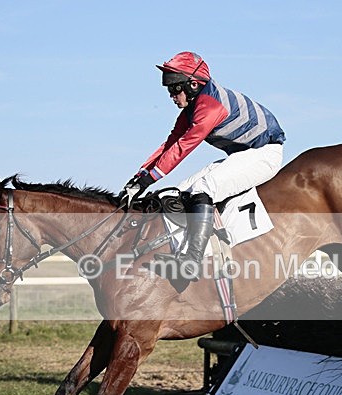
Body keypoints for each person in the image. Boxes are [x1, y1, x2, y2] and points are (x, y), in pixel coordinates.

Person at [121, 51, 285, 281]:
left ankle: (192, 262)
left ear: (194, 85)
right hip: (244, 155)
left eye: (174, 88)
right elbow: (170, 143)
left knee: (203, 189)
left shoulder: (210, 107)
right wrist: (139, 177)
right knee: (180, 191)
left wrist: (148, 180)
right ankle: (192, 251)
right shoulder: (192, 107)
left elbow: (183, 147)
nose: (171, 95)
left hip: (264, 154)